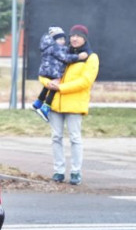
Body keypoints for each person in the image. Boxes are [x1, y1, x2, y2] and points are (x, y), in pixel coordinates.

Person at [39, 24, 99, 186]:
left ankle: (75, 171)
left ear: (85, 38)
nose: (74, 38)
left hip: (74, 105)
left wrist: (61, 88)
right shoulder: (61, 51)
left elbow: (85, 82)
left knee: (75, 138)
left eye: (78, 36)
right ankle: (59, 171)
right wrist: (47, 83)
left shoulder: (91, 57)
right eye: (72, 35)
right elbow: (46, 71)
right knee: (56, 137)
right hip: (55, 104)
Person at [31, 26, 88, 122]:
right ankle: (45, 108)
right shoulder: (55, 47)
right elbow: (65, 57)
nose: (63, 41)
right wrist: (78, 57)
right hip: (53, 70)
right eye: (60, 39)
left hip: (47, 69)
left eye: (64, 39)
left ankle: (38, 102)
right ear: (54, 39)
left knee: (47, 87)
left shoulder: (48, 46)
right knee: (54, 87)